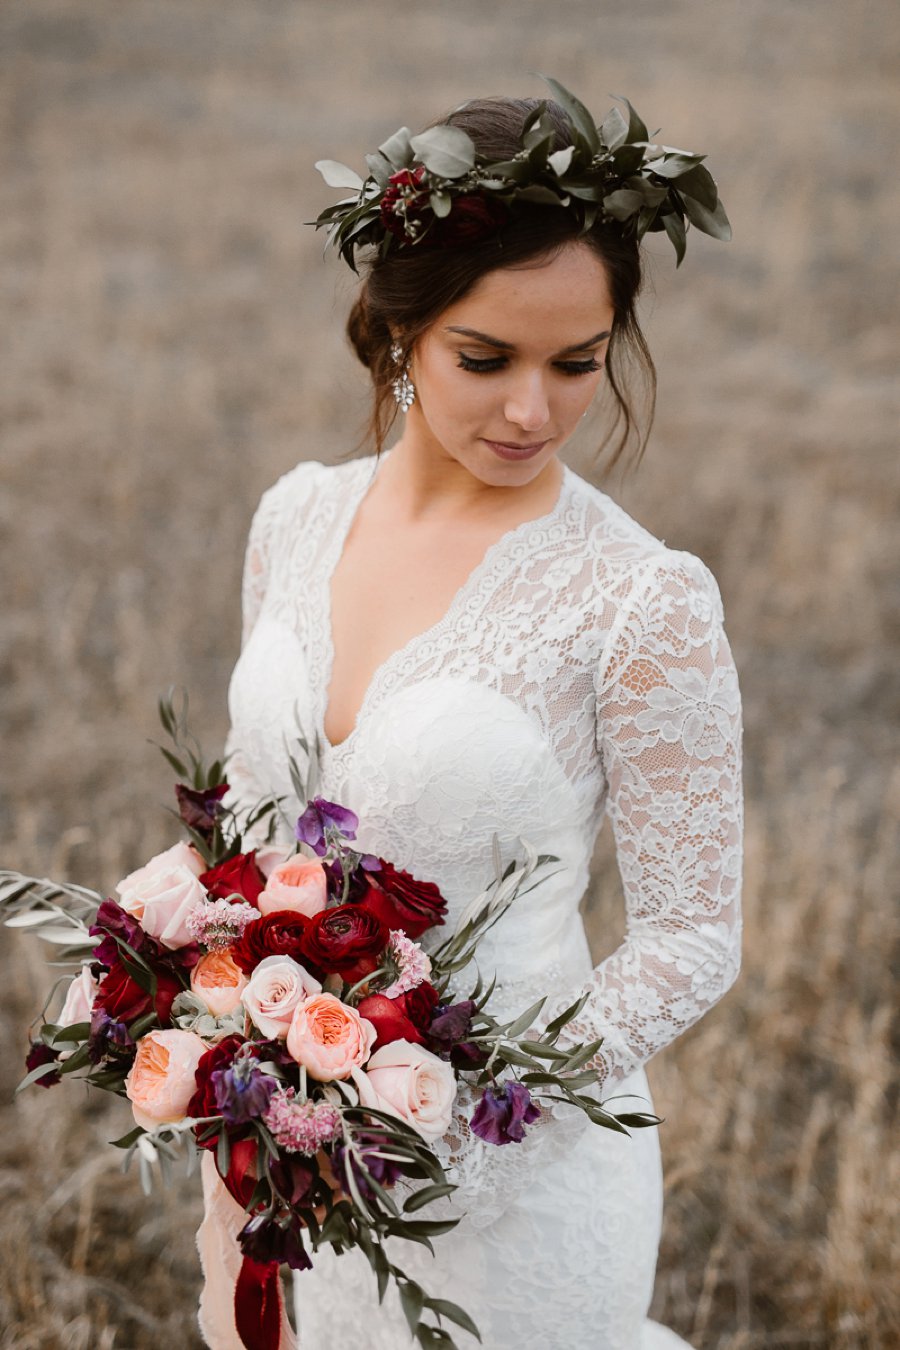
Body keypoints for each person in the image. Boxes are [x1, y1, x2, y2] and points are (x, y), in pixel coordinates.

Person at [222, 83, 742, 1350]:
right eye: (486, 357)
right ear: (399, 332)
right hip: (280, 1152)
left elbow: (691, 938)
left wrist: (467, 1118)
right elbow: (247, 830)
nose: (534, 411)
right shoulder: (294, 517)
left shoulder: (641, 600)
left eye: (578, 363)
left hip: (516, 1198)